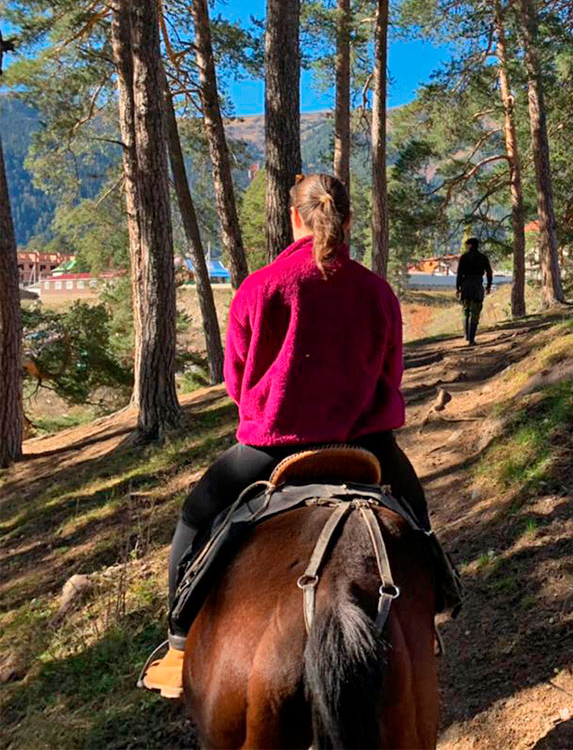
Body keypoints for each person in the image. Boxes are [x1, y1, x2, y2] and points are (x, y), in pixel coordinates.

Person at [141, 173, 429, 698]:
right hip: (365, 446)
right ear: (346, 219)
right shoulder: (377, 291)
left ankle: (179, 639)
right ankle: (439, 603)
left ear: (295, 216)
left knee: (194, 517)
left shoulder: (259, 288)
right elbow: (392, 371)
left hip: (269, 447)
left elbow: (235, 378)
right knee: (415, 511)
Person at [455, 237, 492, 346]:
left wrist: (458, 288)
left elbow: (459, 274)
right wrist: (488, 285)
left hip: (465, 286)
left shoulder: (464, 257)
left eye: (467, 245)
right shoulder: (483, 257)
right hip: (477, 286)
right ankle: (471, 339)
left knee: (466, 311)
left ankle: (466, 335)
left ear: (471, 245)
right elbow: (489, 272)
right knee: (475, 313)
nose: (466, 247)